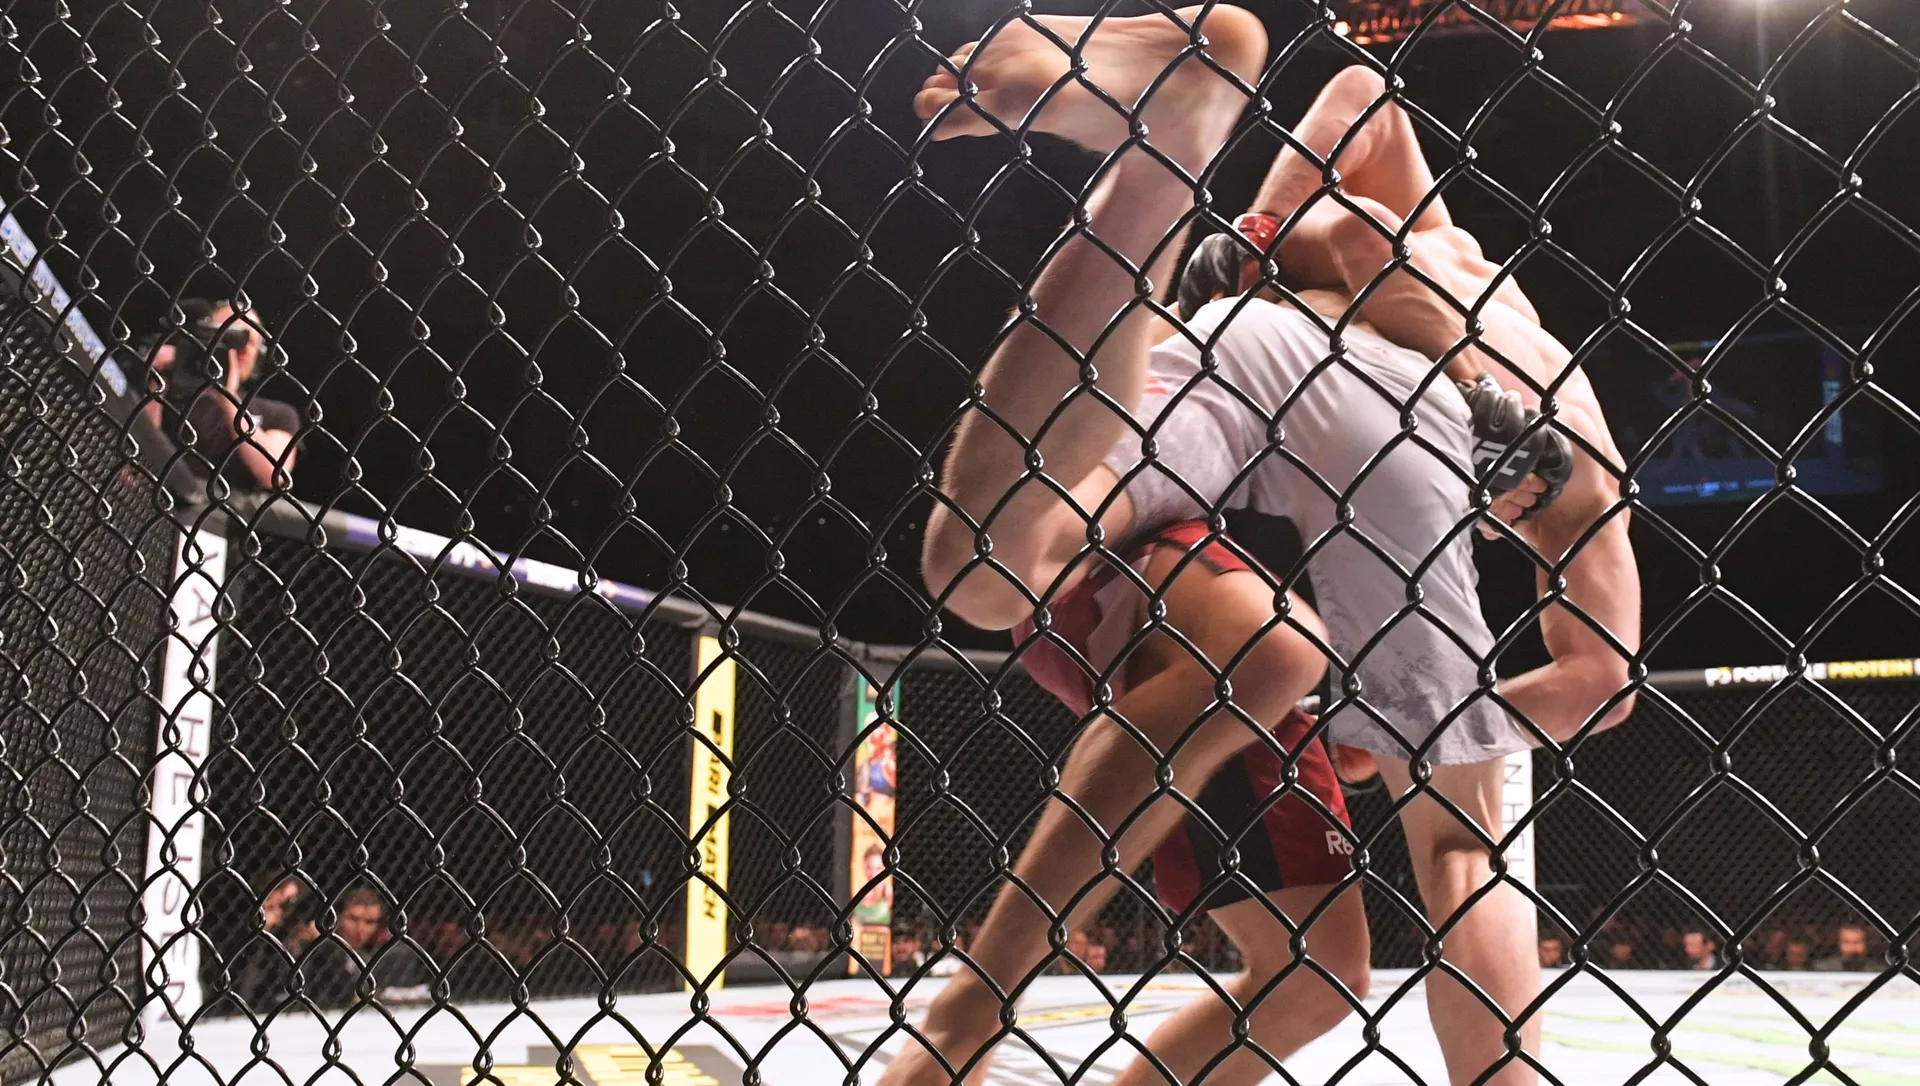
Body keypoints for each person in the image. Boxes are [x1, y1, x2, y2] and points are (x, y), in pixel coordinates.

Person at [893, 11, 1568, 1085]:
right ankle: (971, 1010)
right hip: (1386, 432)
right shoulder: (1555, 438)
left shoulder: (1456, 276)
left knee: (1315, 974)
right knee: (1426, 802)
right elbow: (1591, 683)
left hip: (1271, 367)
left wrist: (1257, 238)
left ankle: (1164, 160)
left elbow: (1361, 105)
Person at [144, 297, 300, 492]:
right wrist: (157, 382)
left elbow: (274, 474)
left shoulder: (278, 414)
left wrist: (228, 397)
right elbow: (140, 448)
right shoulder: (170, 389)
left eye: (249, 341)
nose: (241, 348)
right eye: (229, 336)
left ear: (258, 354)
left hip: (224, 506)